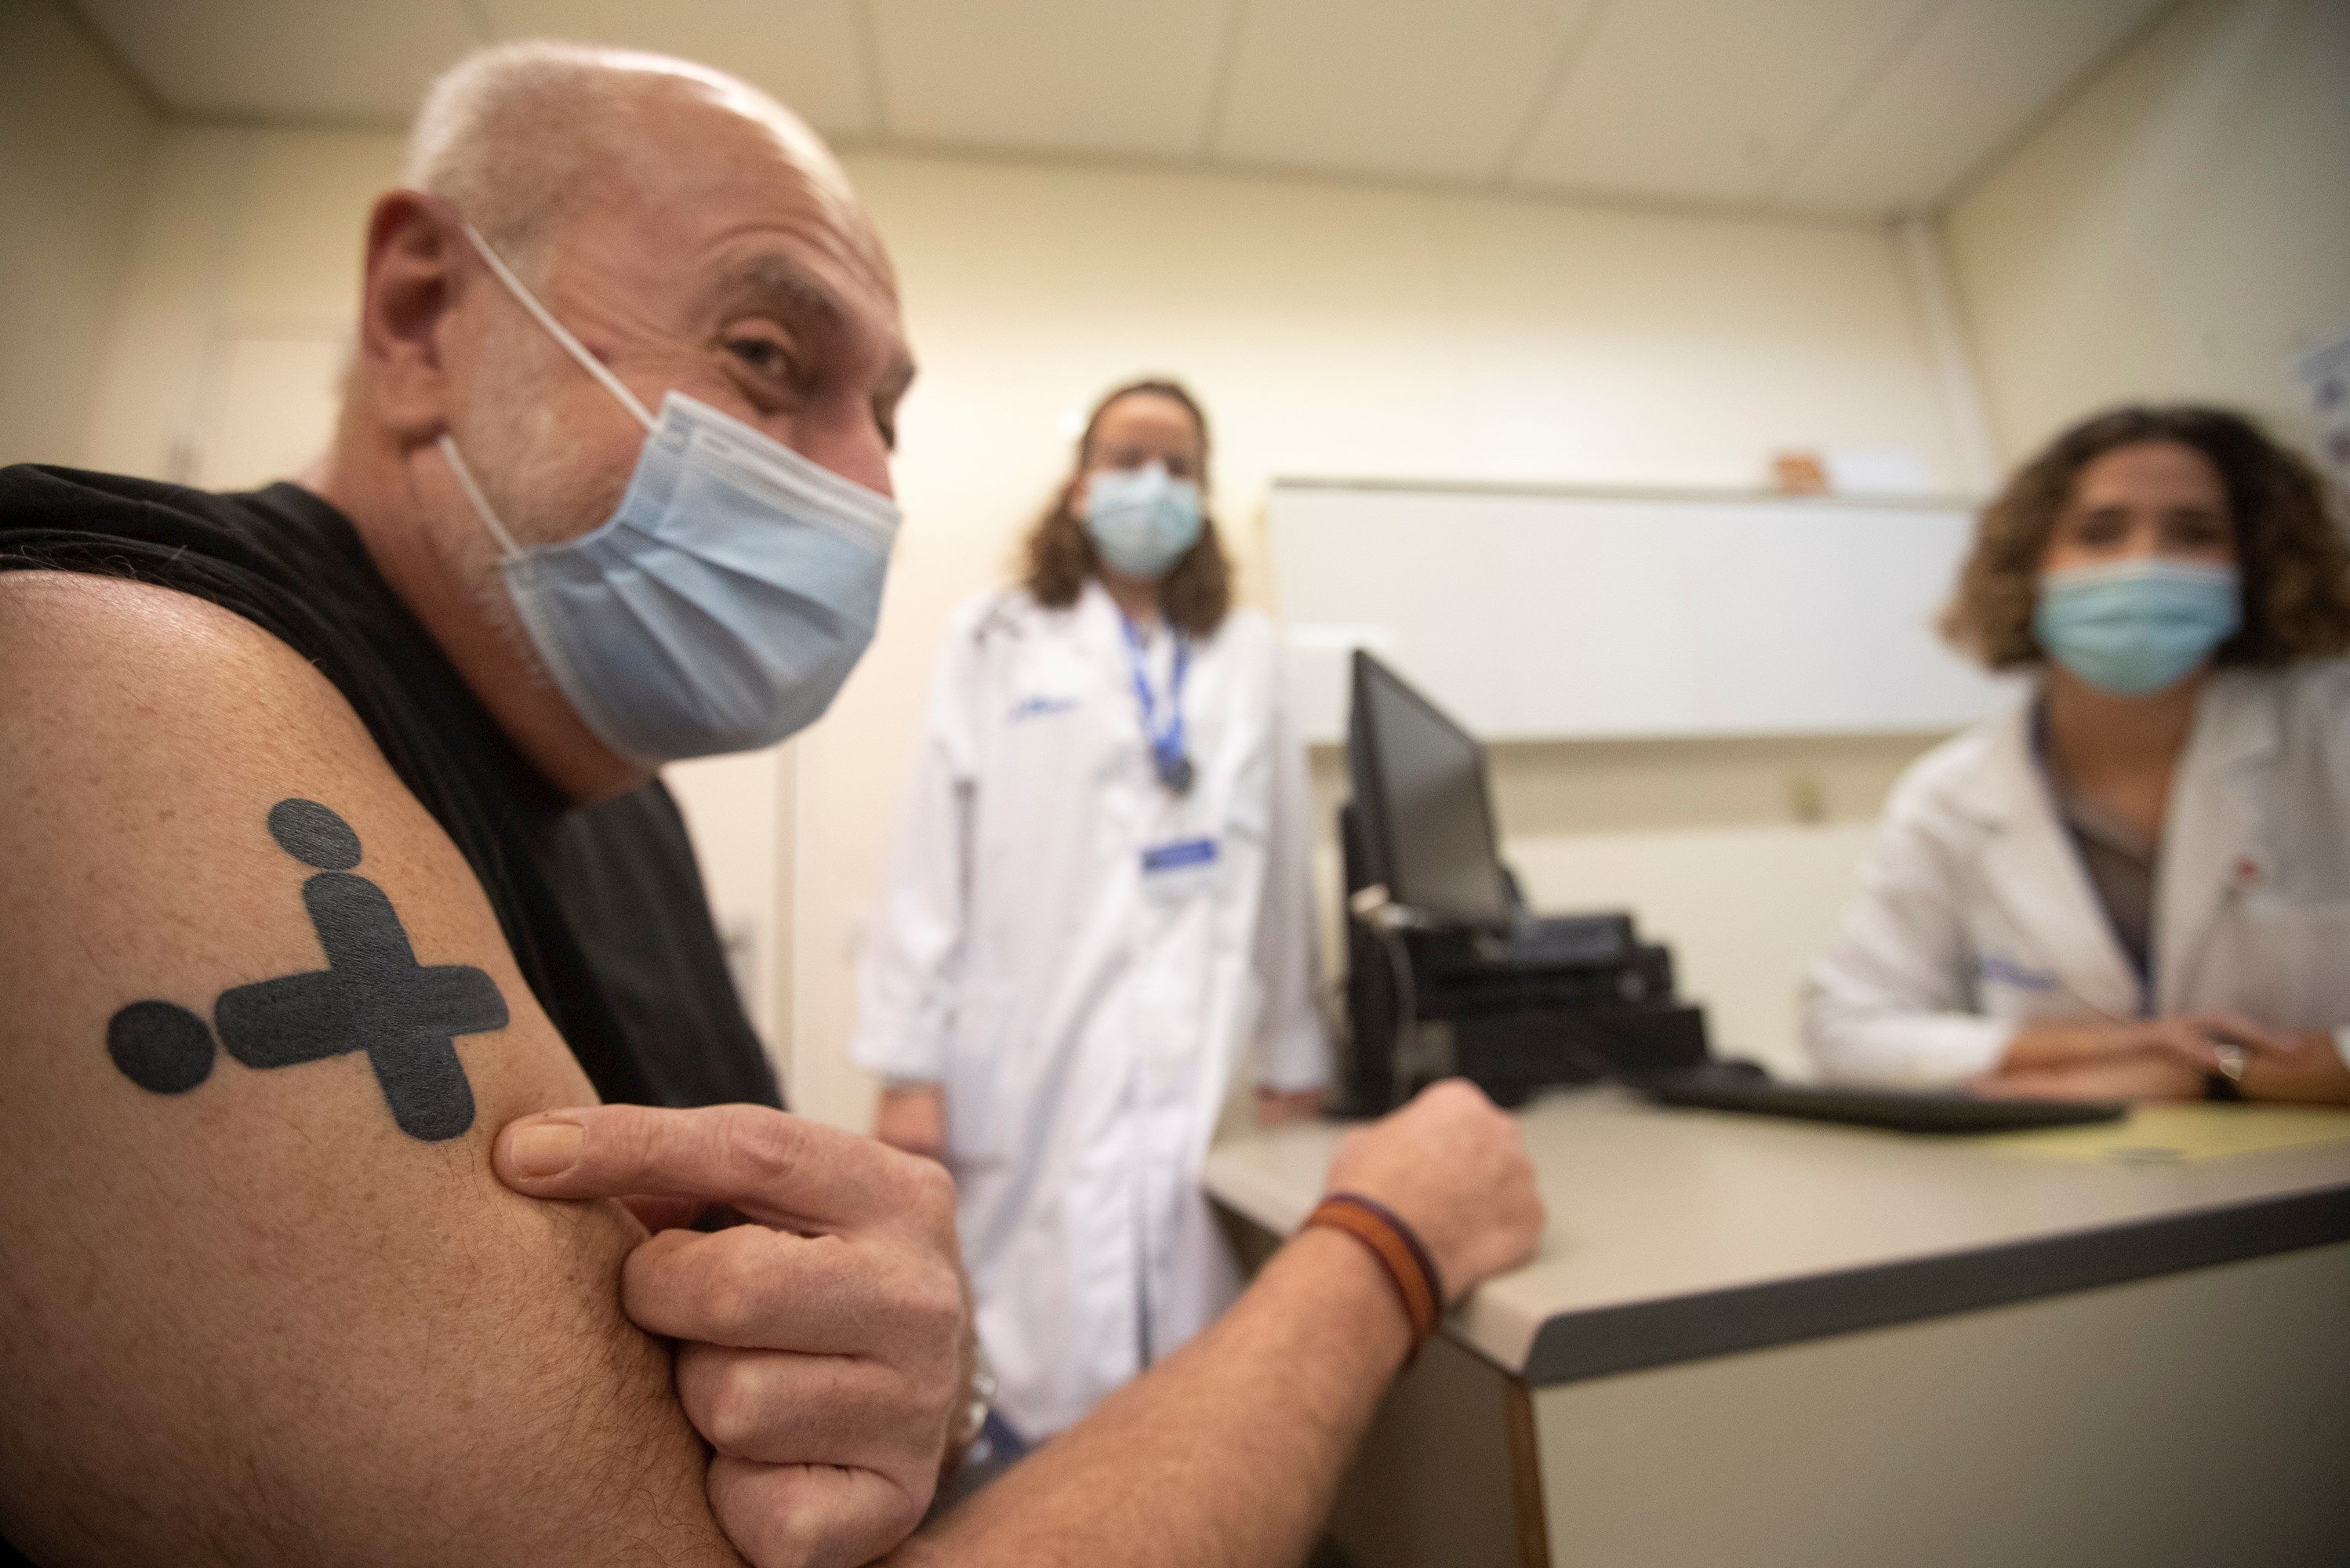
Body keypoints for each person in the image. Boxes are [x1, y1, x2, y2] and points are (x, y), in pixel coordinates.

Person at [0, 39, 1545, 1568]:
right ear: (424, 317)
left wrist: (918, 1391)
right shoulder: (110, 681)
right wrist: (1380, 1249)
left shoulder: (613, 804)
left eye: (888, 413)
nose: (869, 491)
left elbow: (791, 1384)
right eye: (765, 357)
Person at [851, 379, 1329, 1443]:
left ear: (1204, 496)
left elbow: (1285, 863)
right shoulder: (999, 635)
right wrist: (908, 1065)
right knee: (1023, 1374)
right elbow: (932, 854)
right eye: (1128, 458)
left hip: (1193, 1060)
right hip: (1028, 1057)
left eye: (1179, 466)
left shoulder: (1248, 654)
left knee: (1190, 1382)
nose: (1151, 486)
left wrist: (1297, 1048)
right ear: (1080, 482)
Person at [1807, 405, 2350, 1105]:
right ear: (2030, 567)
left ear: (2253, 567)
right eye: (2101, 532)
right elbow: (1843, 1028)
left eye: (2196, 533)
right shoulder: (1952, 793)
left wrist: (2214, 1074)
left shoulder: (2333, 734)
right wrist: (2111, 1048)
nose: (2145, 560)